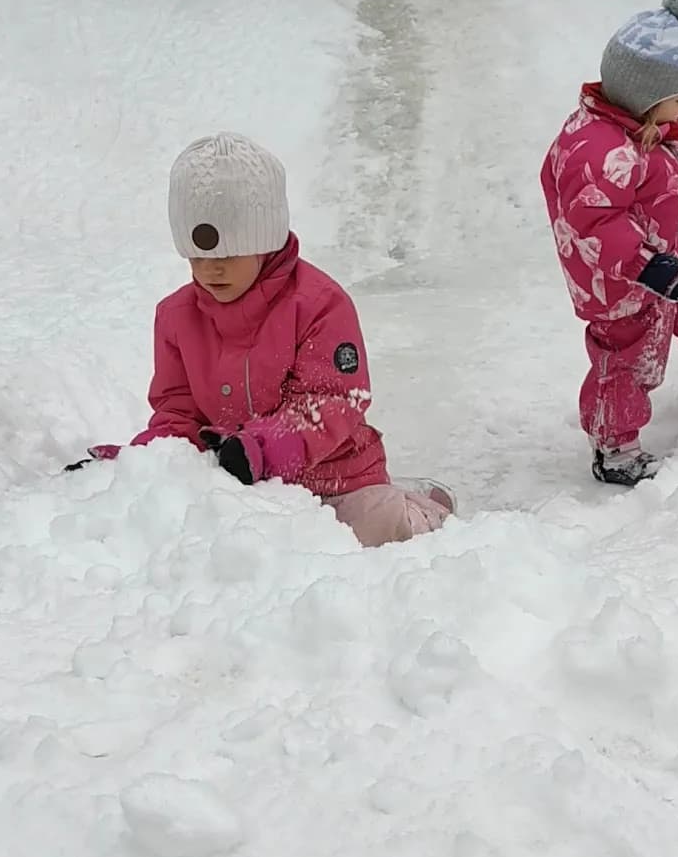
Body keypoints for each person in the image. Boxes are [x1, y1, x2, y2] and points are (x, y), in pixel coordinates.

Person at [67, 133, 454, 547]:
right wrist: (137, 465)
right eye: (198, 258)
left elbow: (331, 400)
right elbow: (177, 412)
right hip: (239, 483)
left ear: (264, 241)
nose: (211, 271)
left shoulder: (319, 305)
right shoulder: (176, 317)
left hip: (336, 477)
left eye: (227, 256)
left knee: (376, 532)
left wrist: (262, 450)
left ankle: (419, 510)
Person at [541, 0, 678, 486]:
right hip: (621, 283)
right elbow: (597, 222)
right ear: (646, 93)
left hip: (656, 259)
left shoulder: (638, 130)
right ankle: (616, 448)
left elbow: (650, 185)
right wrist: (654, 269)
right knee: (628, 361)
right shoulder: (597, 147)